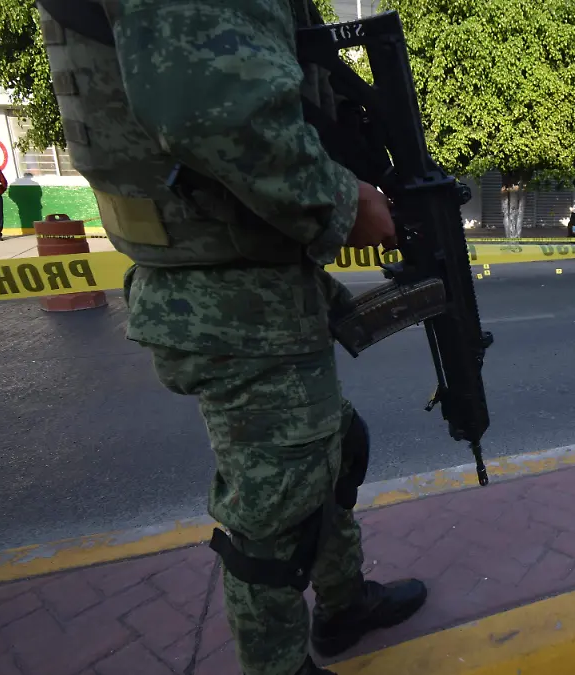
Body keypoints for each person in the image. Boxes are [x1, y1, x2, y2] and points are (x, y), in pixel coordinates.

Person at [35, 2, 426, 675]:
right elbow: (208, 106)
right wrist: (340, 200)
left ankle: (341, 603)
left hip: (258, 270)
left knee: (331, 454)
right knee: (277, 511)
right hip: (227, 288)